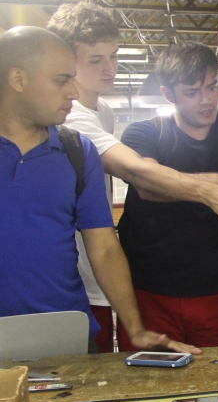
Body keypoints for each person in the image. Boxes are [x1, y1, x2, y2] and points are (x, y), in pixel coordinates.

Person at [47, 1, 218, 351]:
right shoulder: (72, 118)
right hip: (80, 278)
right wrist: (214, 189)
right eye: (95, 59)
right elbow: (135, 171)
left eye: (113, 56)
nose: (110, 69)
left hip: (107, 271)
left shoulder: (102, 109)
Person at [0, 26, 197, 355]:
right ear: (18, 80)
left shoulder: (77, 152)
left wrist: (136, 329)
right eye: (61, 81)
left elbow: (103, 247)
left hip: (67, 335)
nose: (73, 93)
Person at [116, 42, 218, 349]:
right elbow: (148, 184)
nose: (207, 100)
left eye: (213, 87)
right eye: (192, 93)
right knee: (152, 384)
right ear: (168, 95)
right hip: (149, 289)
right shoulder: (143, 133)